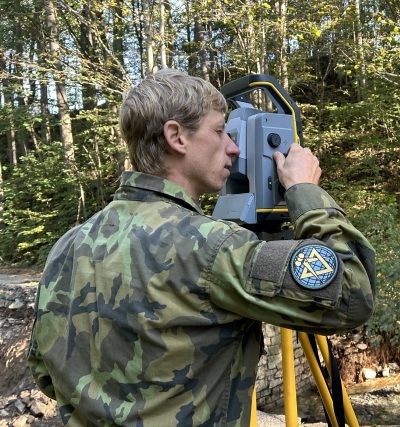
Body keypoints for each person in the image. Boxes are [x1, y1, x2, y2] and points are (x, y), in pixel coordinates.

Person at [27, 69, 376, 426]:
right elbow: (352, 294)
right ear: (176, 136)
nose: (233, 147)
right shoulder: (213, 248)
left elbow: (44, 369)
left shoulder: (67, 247)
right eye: (220, 130)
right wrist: (305, 192)